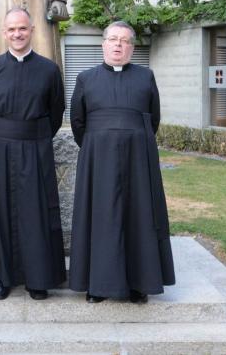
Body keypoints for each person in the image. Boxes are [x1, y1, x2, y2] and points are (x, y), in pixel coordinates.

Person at [69, 20, 175, 304]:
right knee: (100, 217)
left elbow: (152, 119)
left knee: (139, 216)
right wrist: (97, 145)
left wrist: (135, 141)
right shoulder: (85, 78)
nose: (118, 45)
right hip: (98, 160)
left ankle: (139, 283)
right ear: (103, 44)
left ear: (132, 47)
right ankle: (97, 284)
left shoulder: (146, 77)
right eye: (113, 39)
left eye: (125, 40)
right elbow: (78, 122)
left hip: (138, 160)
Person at [0, 7, 66, 301]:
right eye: (12, 29)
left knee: (36, 212)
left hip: (36, 147)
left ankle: (38, 280)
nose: (17, 34)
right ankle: (4, 277)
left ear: (32, 31)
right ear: (5, 33)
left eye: (23, 28)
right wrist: (0, 140)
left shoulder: (49, 70)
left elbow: (56, 112)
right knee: (1, 211)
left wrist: (35, 137)